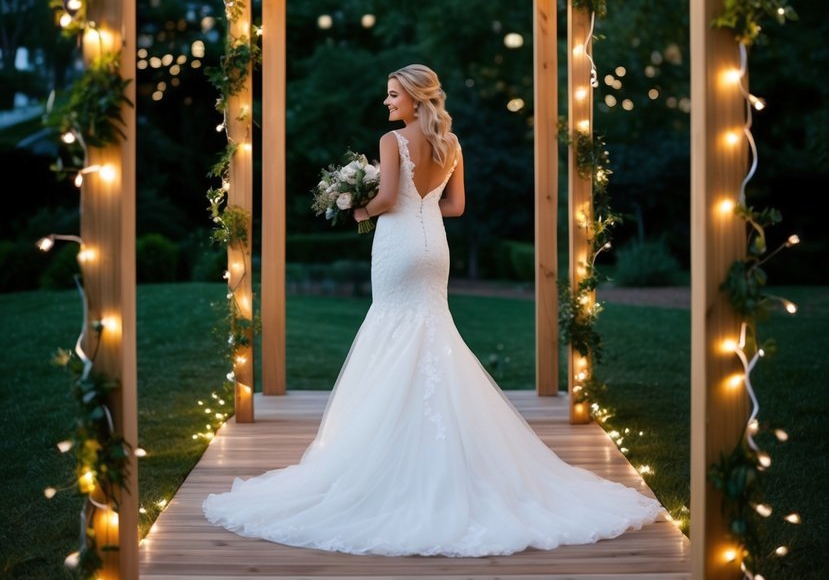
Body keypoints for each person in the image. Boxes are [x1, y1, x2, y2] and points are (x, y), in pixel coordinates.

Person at [203, 63, 662, 555]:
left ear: (415, 98)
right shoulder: (452, 143)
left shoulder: (391, 140)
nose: (387, 103)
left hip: (398, 247)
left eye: (393, 94)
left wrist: (359, 208)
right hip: (433, 248)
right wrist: (417, 204)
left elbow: (382, 198)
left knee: (391, 328)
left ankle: (387, 452)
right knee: (433, 333)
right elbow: (457, 206)